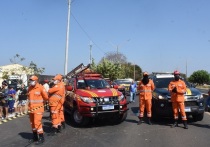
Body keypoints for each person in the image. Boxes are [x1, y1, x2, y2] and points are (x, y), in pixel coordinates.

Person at [28, 75, 48, 144]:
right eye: (30, 80)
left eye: (32, 80)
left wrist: (42, 104)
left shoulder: (40, 88)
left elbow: (46, 97)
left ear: (36, 81)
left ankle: (41, 137)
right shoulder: (30, 88)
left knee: (37, 123)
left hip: (38, 109)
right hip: (31, 109)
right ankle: (35, 137)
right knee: (32, 123)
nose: (31, 82)